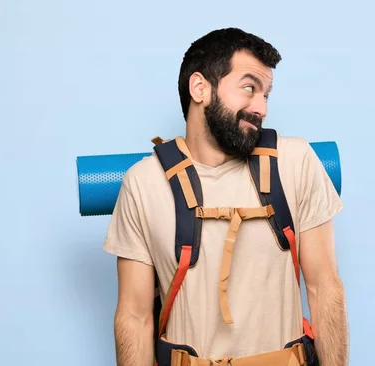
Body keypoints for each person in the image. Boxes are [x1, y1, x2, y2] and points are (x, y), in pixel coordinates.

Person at [103, 27, 349, 365]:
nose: (260, 108)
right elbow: (134, 316)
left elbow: (325, 289)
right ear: (200, 88)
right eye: (249, 88)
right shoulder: (143, 183)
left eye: (266, 95)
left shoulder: (296, 162)